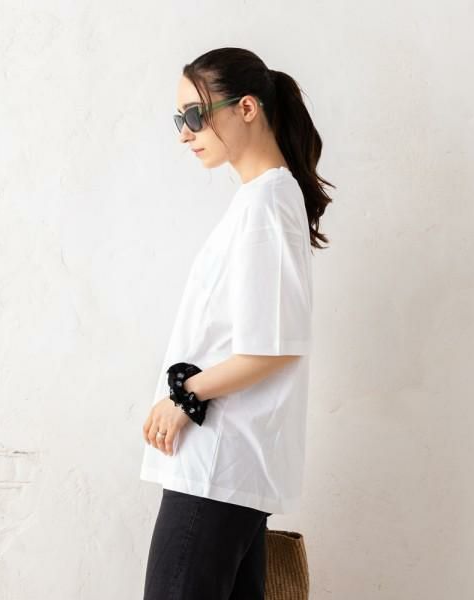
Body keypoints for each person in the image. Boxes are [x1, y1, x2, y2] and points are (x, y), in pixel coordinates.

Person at [140, 47, 334, 600]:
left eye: (195, 115)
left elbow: (273, 346)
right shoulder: (261, 199)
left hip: (218, 468)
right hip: (227, 468)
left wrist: (183, 398)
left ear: (246, 108)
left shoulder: (266, 203)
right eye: (179, 120)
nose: (185, 133)